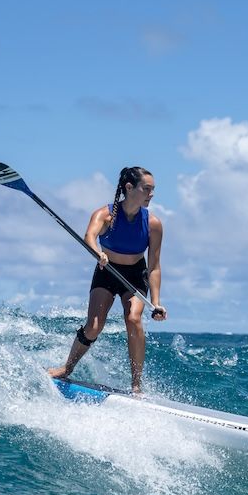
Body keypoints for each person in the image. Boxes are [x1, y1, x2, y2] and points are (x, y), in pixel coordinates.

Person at [48, 166, 167, 393]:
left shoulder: (153, 224)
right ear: (129, 188)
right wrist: (97, 253)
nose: (151, 194)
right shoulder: (105, 215)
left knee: (133, 318)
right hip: (107, 270)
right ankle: (67, 368)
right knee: (93, 327)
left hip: (135, 275)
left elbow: (154, 266)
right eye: (147, 189)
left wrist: (157, 301)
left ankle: (136, 386)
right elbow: (89, 236)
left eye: (153, 190)